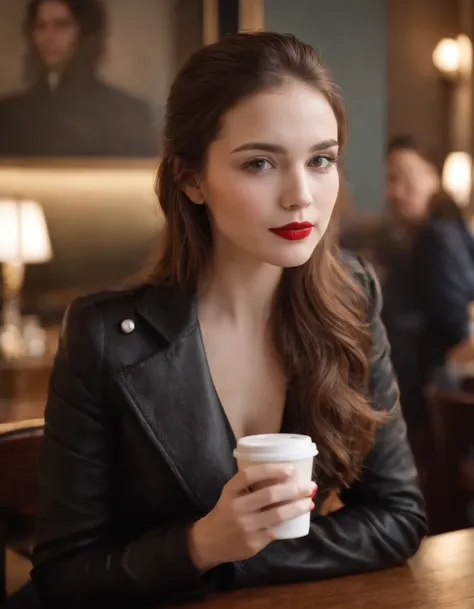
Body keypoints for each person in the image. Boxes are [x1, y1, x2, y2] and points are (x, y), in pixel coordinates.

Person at [28, 32, 427, 608]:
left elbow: (398, 517)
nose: (300, 196)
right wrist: (197, 545)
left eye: (321, 160)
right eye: (260, 163)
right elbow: (64, 574)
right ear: (192, 179)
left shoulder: (353, 296)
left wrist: (230, 559)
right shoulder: (103, 337)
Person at [0, 0, 155, 157]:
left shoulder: (128, 113)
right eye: (41, 27)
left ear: (84, 32)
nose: (49, 37)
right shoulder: (8, 114)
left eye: (61, 26)